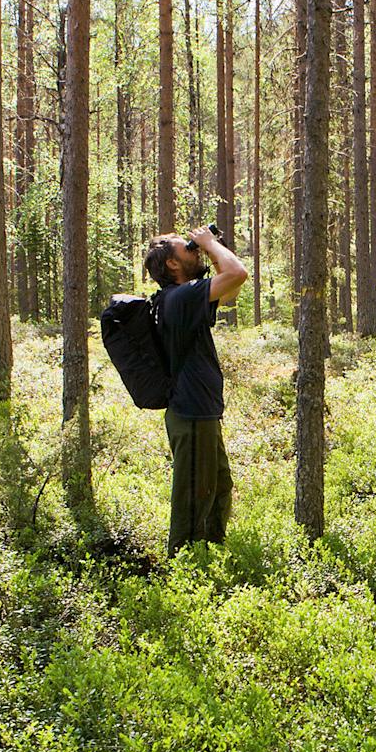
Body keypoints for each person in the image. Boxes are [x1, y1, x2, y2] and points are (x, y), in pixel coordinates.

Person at [144, 226, 249, 556]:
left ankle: (211, 555)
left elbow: (228, 290)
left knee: (218, 487)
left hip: (199, 412)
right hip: (191, 414)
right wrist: (210, 243)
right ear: (173, 264)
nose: (196, 251)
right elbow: (238, 273)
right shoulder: (181, 297)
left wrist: (208, 250)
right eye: (187, 248)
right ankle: (183, 567)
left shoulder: (179, 299)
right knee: (192, 498)